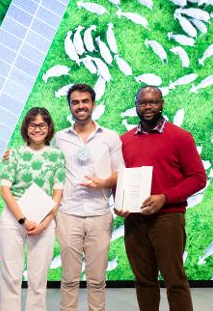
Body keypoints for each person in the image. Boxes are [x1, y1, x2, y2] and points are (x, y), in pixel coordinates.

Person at [117, 86, 207, 311]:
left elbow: (198, 178)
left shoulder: (180, 137)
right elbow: (120, 177)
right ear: (136, 105)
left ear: (162, 104)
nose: (148, 107)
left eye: (153, 102)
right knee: (144, 281)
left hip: (167, 219)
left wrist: (165, 197)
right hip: (135, 220)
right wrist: (120, 202)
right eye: (143, 102)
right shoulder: (125, 140)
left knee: (174, 281)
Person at [53, 84, 125, 311]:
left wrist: (103, 183)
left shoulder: (110, 137)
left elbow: (120, 173)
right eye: (75, 102)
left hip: (100, 215)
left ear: (93, 104)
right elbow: (46, 166)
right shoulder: (60, 138)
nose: (81, 106)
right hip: (68, 215)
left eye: (85, 101)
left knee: (97, 280)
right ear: (70, 107)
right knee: (69, 279)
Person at [0, 107, 65, 311]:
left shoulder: (57, 156)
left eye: (42, 125)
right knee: (11, 276)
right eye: (33, 125)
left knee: (38, 279)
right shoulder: (15, 153)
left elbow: (58, 193)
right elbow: (4, 189)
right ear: (26, 128)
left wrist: (44, 223)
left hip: (44, 220)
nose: (37, 129)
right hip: (13, 220)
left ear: (49, 128)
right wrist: (22, 220)